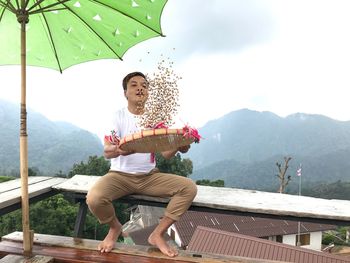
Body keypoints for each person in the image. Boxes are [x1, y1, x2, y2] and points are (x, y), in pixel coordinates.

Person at [86, 71, 197, 257]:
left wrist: (181, 145)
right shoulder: (118, 117)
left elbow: (166, 153)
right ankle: (114, 228)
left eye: (144, 85)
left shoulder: (155, 120)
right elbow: (107, 151)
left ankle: (157, 234)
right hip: (119, 176)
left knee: (189, 188)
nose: (140, 88)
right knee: (94, 198)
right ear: (125, 93)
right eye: (134, 85)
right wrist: (121, 150)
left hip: (149, 176)